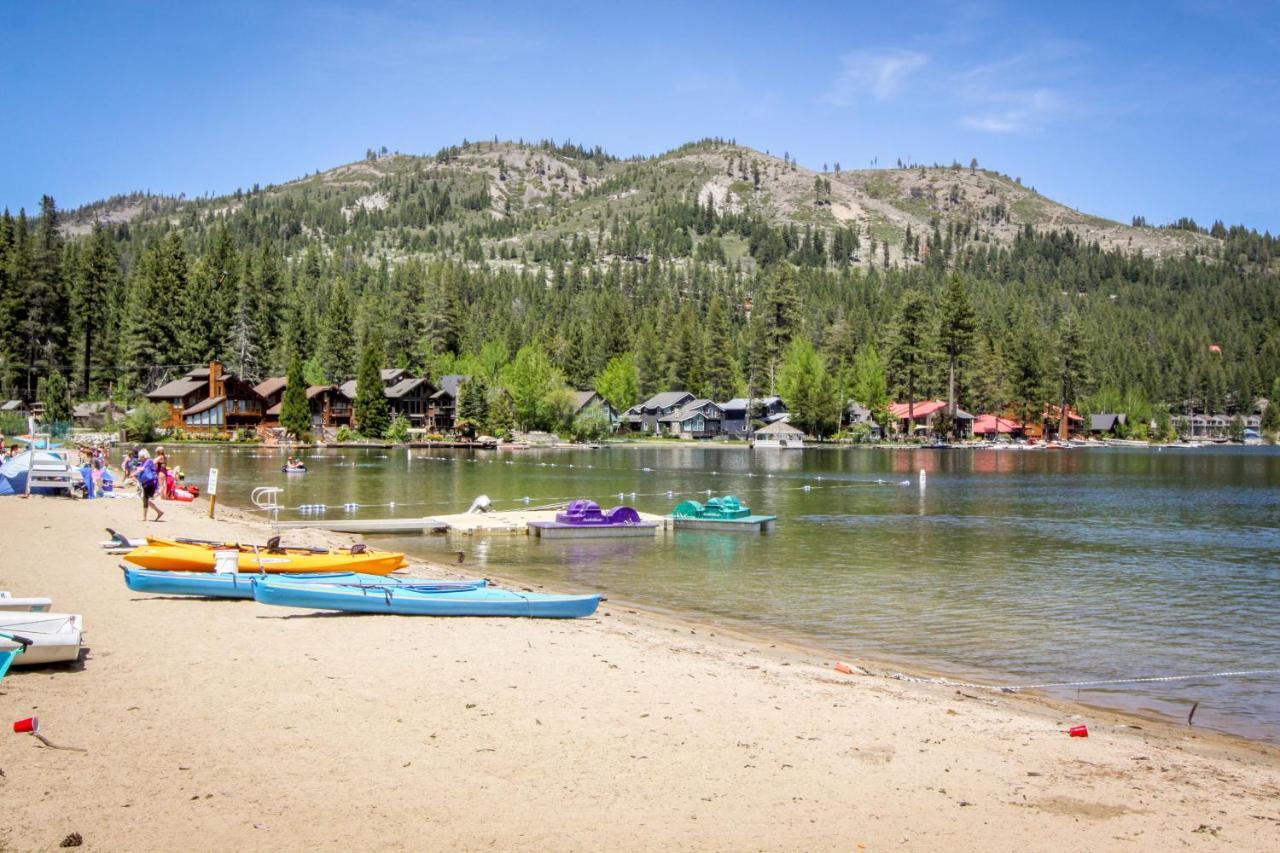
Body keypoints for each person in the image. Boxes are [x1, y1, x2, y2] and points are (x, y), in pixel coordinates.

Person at [136, 448, 164, 522]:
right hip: (146, 482)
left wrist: (133, 473)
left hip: (150, 482)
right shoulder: (144, 462)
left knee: (145, 498)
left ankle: (145, 517)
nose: (140, 459)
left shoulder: (148, 461)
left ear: (144, 456)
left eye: (141, 457)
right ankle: (158, 512)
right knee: (145, 498)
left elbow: (142, 469)